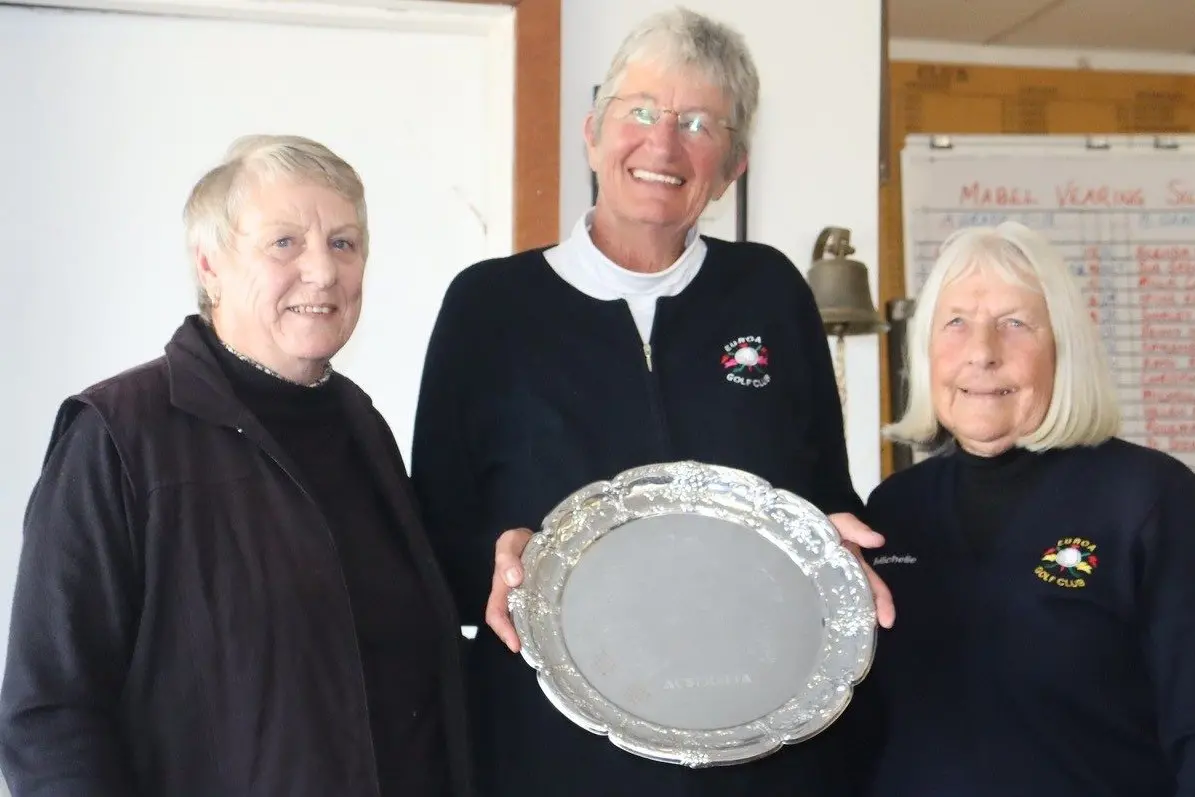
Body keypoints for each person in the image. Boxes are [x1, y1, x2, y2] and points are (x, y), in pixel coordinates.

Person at [410, 8, 893, 797]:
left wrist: (835, 535)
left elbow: (821, 492)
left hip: (758, 753)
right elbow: (430, 541)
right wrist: (497, 555)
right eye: (640, 112)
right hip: (553, 756)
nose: (662, 145)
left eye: (699, 123)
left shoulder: (769, 292)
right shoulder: (488, 308)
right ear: (593, 132)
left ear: (732, 163)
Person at [0, 135, 473, 797]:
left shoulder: (362, 428)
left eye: (343, 242)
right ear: (210, 264)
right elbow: (51, 713)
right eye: (284, 242)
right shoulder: (117, 434)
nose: (322, 271)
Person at [855, 221, 1195, 796]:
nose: (982, 354)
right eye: (956, 323)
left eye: (1015, 325)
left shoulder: (1149, 497)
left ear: (1064, 348)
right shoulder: (894, 508)